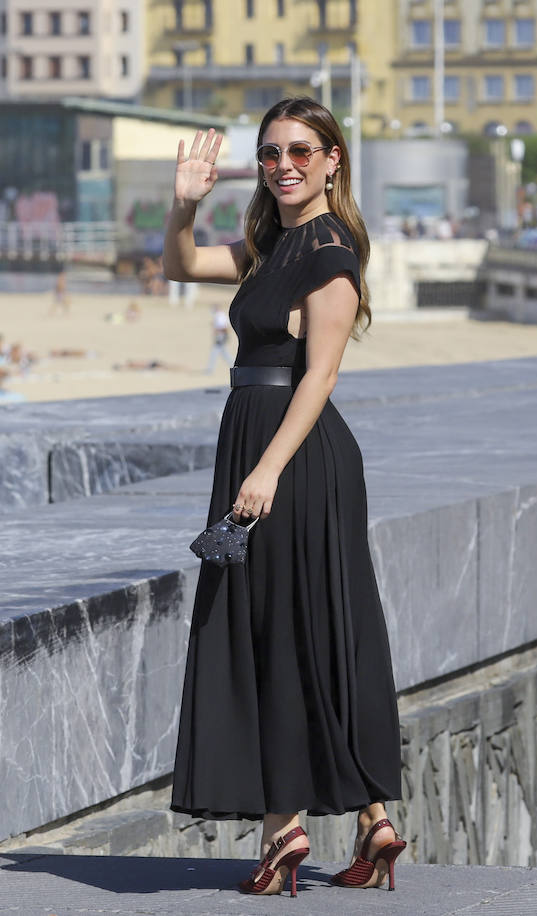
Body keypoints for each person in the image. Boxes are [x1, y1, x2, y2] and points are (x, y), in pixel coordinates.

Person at [162, 98, 405, 898]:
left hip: (293, 453)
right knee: (307, 627)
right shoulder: (276, 241)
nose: (284, 165)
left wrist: (263, 471)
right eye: (270, 154)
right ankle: (371, 820)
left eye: (301, 150)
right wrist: (185, 204)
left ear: (334, 158)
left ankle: (283, 830)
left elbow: (324, 375)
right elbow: (179, 266)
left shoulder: (330, 250)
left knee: (275, 629)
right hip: (262, 435)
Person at [204, 304, 233, 373]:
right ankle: (233, 365)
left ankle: (210, 370)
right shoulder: (220, 315)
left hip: (221, 336)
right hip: (221, 336)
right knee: (224, 354)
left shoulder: (219, 316)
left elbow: (224, 327)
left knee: (214, 352)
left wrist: (217, 331)